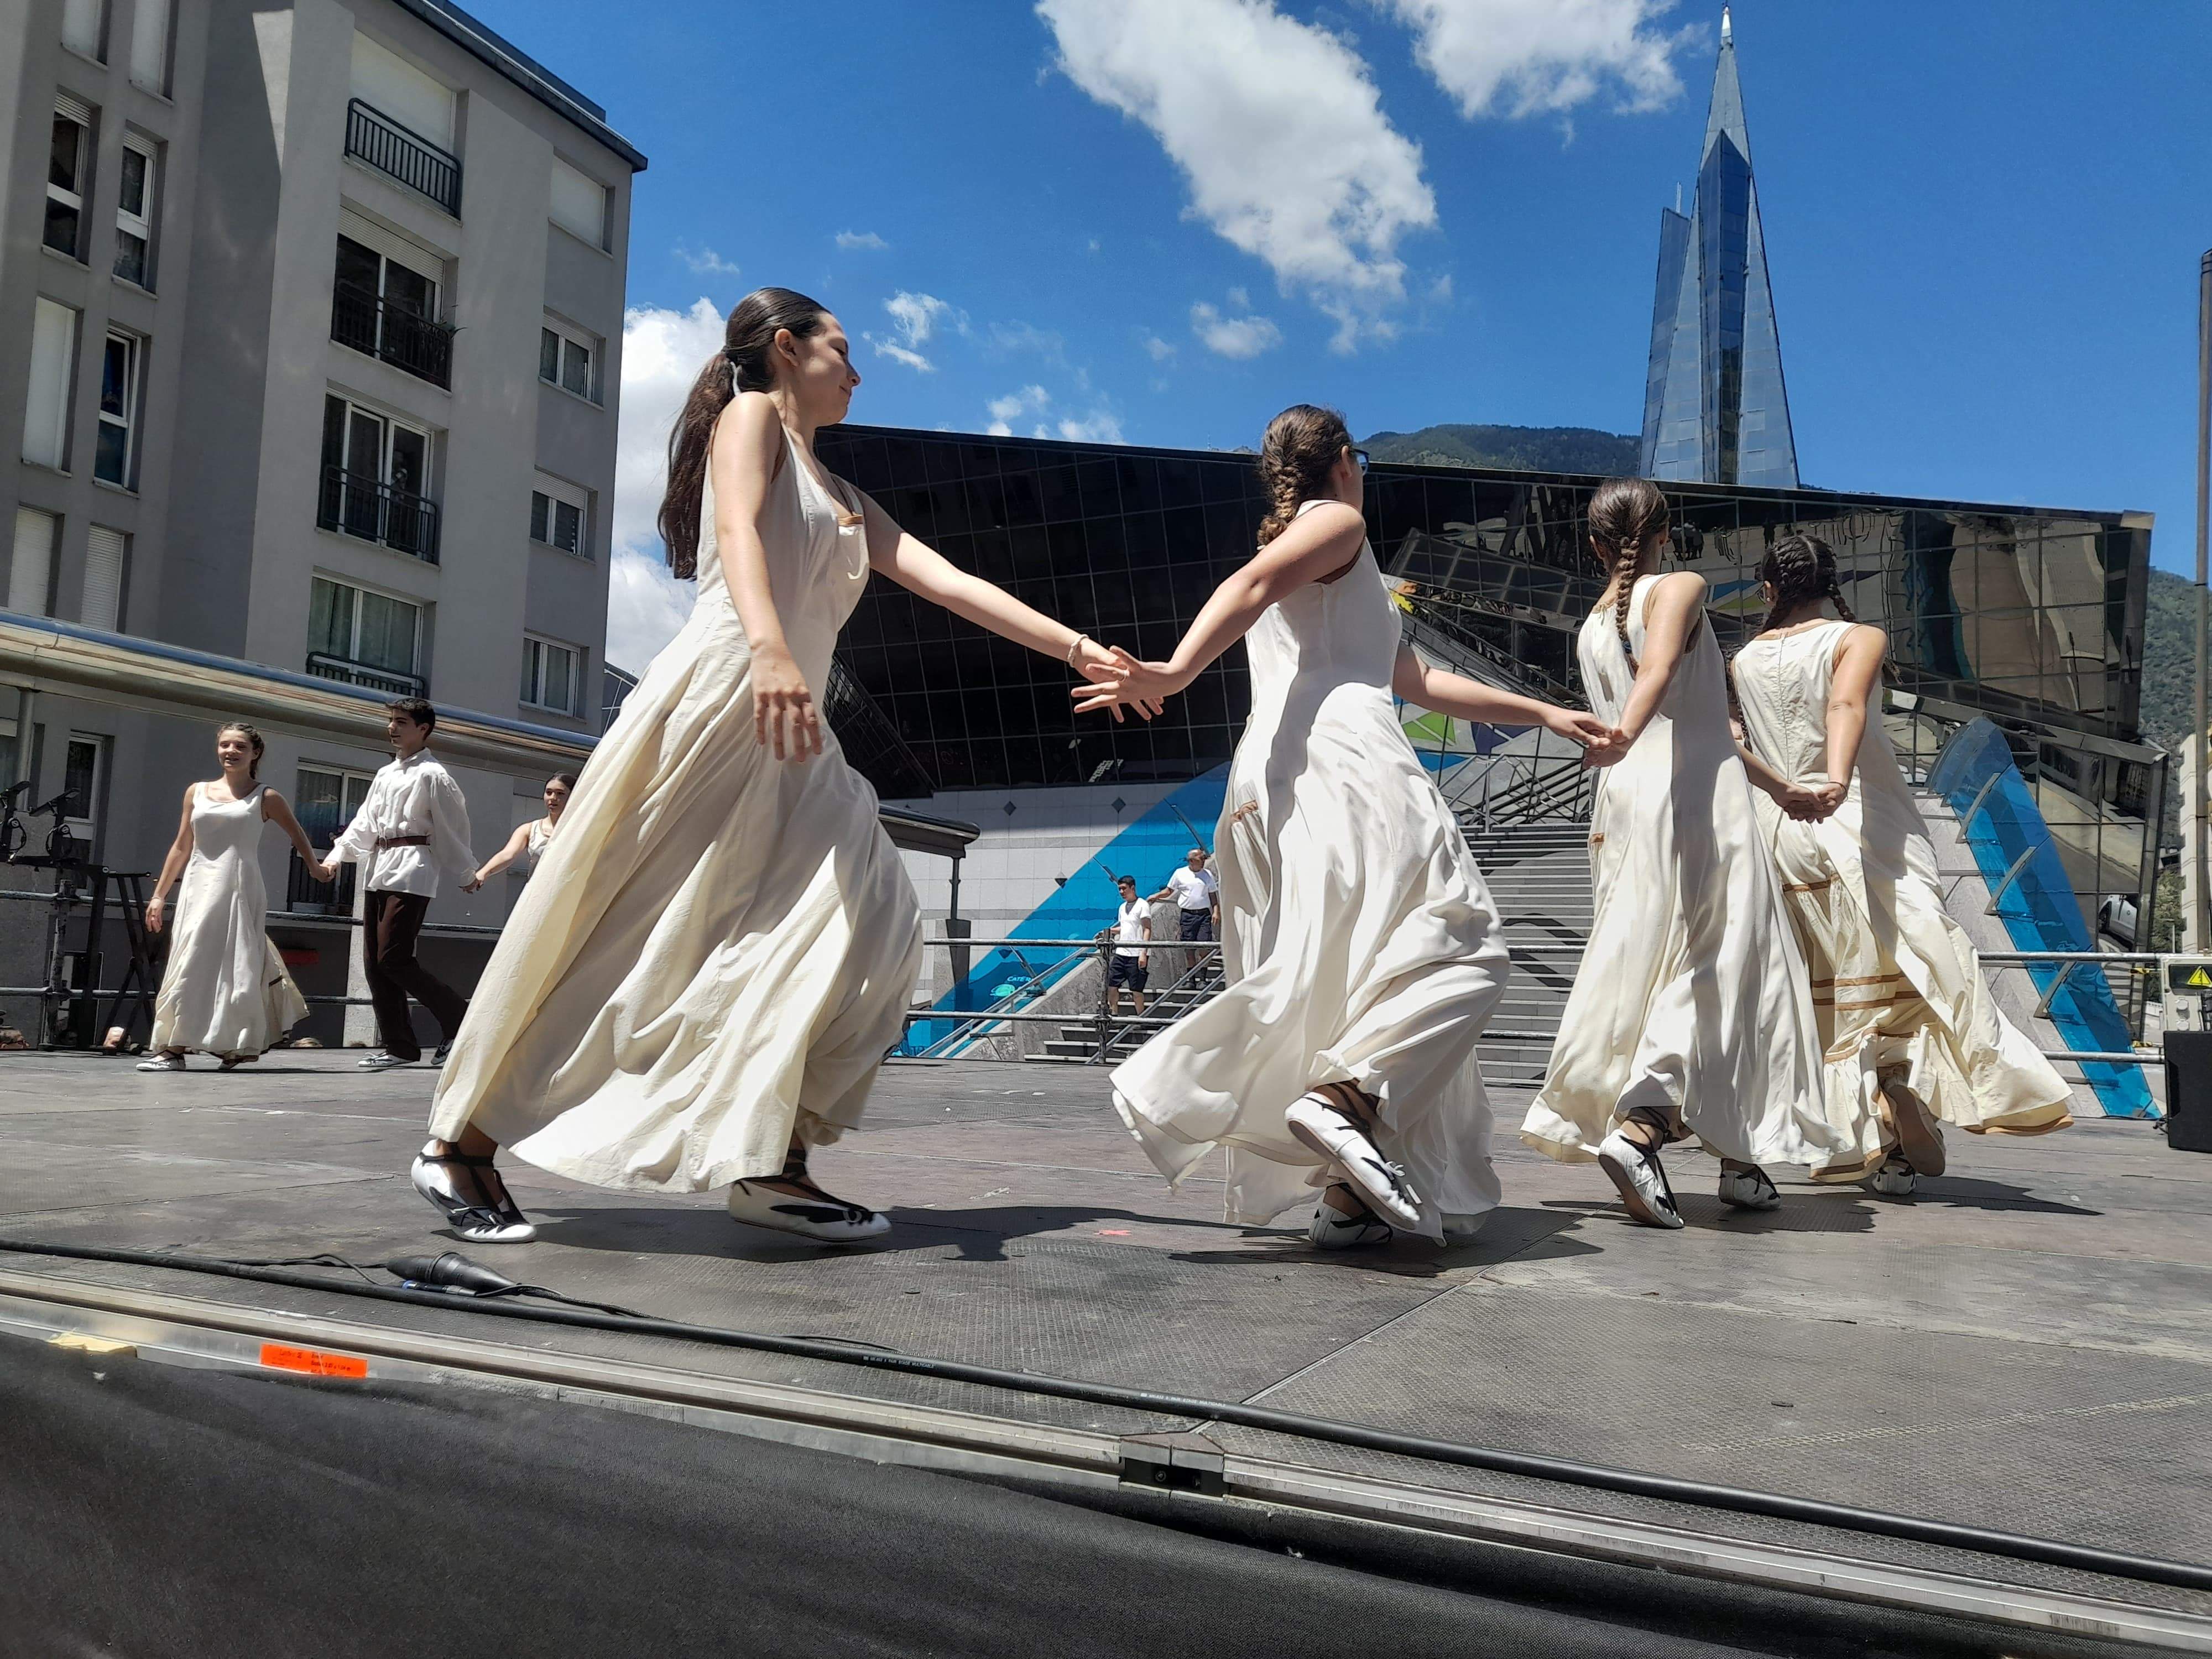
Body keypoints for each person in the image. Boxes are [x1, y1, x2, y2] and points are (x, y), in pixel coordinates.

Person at [410, 286, 1152, 1247]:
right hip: (730, 694)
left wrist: (1078, 649)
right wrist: (768, 652)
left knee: (873, 919)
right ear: (789, 349)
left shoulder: (844, 495)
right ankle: (459, 1144)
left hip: (796, 729)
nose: (858, 370)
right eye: (842, 350)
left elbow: (952, 580)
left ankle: (771, 1160)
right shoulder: (750, 417)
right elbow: (734, 537)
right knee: (633, 933)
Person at [1078, 406, 1621, 1249]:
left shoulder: (1316, 563)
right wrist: (1175, 671)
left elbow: (1421, 680)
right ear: (1343, 462)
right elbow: (1248, 590)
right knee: (1466, 944)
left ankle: (1348, 1198)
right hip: (1346, 762)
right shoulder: (1337, 522)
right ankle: (1347, 1101)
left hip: (1272, 780)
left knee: (1344, 977)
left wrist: (1547, 711)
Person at [1522, 479, 1877, 1229]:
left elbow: (1711, 720)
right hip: (1694, 799)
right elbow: (1659, 674)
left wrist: (1780, 788)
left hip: (1626, 802)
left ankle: (1741, 1159)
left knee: (1651, 964)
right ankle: (1644, 1125)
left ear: (1593, 545)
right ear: (1666, 532)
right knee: (1730, 967)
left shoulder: (1591, 622)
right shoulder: (1680, 585)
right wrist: (1627, 728)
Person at [1730, 534, 2073, 1195]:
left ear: (1768, 589)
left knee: (1835, 980)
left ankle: (1881, 1139)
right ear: (1832, 583)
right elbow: (1846, 705)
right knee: (1912, 959)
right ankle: (1900, 1100)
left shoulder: (1743, 657)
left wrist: (1790, 790)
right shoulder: (1857, 637)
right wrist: (1832, 781)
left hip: (1778, 826)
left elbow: (1738, 736)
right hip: (1859, 813)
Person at [302, 698, 476, 1072]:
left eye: (401, 722)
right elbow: (364, 824)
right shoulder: (385, 774)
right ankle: (400, 1046)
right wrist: (335, 858)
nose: (392, 728)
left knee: (393, 958)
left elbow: (451, 829)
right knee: (374, 963)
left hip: (413, 868)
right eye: (391, 721)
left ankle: (461, 1020)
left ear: (423, 729)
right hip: (379, 867)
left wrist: (465, 873)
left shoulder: (433, 776)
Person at [137, 722, 314, 1070]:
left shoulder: (266, 797)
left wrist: (317, 868)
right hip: (198, 884)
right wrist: (159, 896)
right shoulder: (196, 792)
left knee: (237, 964)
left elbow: (298, 835)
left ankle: (234, 1042)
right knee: (190, 958)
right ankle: (172, 1048)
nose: (230, 751)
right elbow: (181, 846)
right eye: (224, 745)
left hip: (239, 885)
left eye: (239, 746)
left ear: (255, 753)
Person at [463, 774, 574, 893]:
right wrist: (483, 873)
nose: (553, 798)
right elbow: (508, 855)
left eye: (560, 794)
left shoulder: (578, 829)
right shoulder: (529, 829)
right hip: (539, 893)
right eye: (549, 792)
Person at [1104, 873, 1151, 1018]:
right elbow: (1124, 927)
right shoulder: (1122, 908)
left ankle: (1141, 1018)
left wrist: (1143, 953)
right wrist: (1109, 931)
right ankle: (1114, 1014)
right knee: (1112, 985)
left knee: (1136, 990)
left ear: (1133, 888)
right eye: (1119, 889)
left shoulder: (1143, 905)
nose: (1122, 892)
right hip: (1121, 952)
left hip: (1137, 954)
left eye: (1124, 889)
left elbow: (1147, 928)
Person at [1150, 847, 1219, 943]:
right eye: (1201, 859)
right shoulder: (1180, 873)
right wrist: (1156, 896)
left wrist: (1216, 912)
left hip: (1204, 915)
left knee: (1205, 943)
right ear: (1191, 861)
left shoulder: (1208, 874)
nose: (1203, 861)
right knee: (1189, 946)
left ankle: (1203, 958)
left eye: (1204, 858)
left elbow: (1212, 894)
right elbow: (1168, 891)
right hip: (1188, 915)